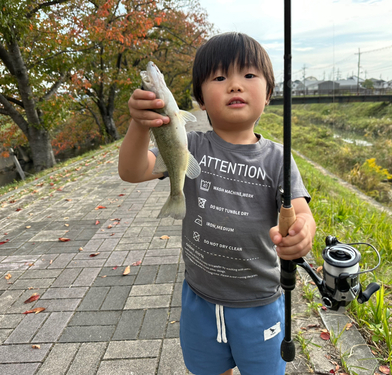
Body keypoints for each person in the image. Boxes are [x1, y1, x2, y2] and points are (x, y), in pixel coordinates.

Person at [119, 32, 316, 375]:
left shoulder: (277, 159)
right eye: (220, 77)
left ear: (268, 94)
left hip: (260, 304)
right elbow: (132, 171)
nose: (235, 85)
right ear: (199, 100)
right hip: (200, 299)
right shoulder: (190, 146)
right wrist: (140, 126)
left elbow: (301, 212)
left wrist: (304, 232)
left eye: (249, 75)